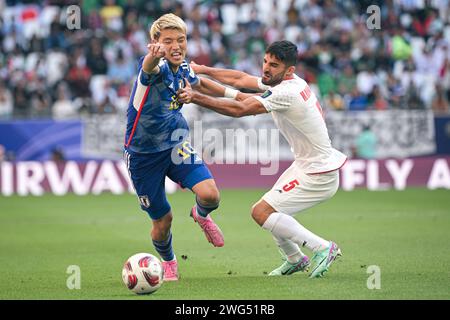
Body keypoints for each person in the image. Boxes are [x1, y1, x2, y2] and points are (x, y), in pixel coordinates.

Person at [178, 40, 347, 278]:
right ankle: (295, 258)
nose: (266, 68)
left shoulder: (286, 92)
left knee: (261, 212)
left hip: (318, 173)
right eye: (266, 61)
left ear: (289, 70)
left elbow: (240, 109)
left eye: (274, 65)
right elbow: (240, 81)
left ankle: (323, 248)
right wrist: (203, 70)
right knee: (270, 209)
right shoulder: (287, 82)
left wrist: (195, 97)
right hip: (308, 165)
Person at [123, 13, 232, 282]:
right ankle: (169, 262)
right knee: (163, 221)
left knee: (211, 195)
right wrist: (153, 55)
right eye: (168, 41)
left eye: (181, 40)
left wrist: (237, 95)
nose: (176, 46)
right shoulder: (153, 67)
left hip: (176, 144)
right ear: (155, 43)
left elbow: (201, 84)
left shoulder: (183, 69)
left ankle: (201, 215)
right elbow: (148, 66)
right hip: (143, 156)